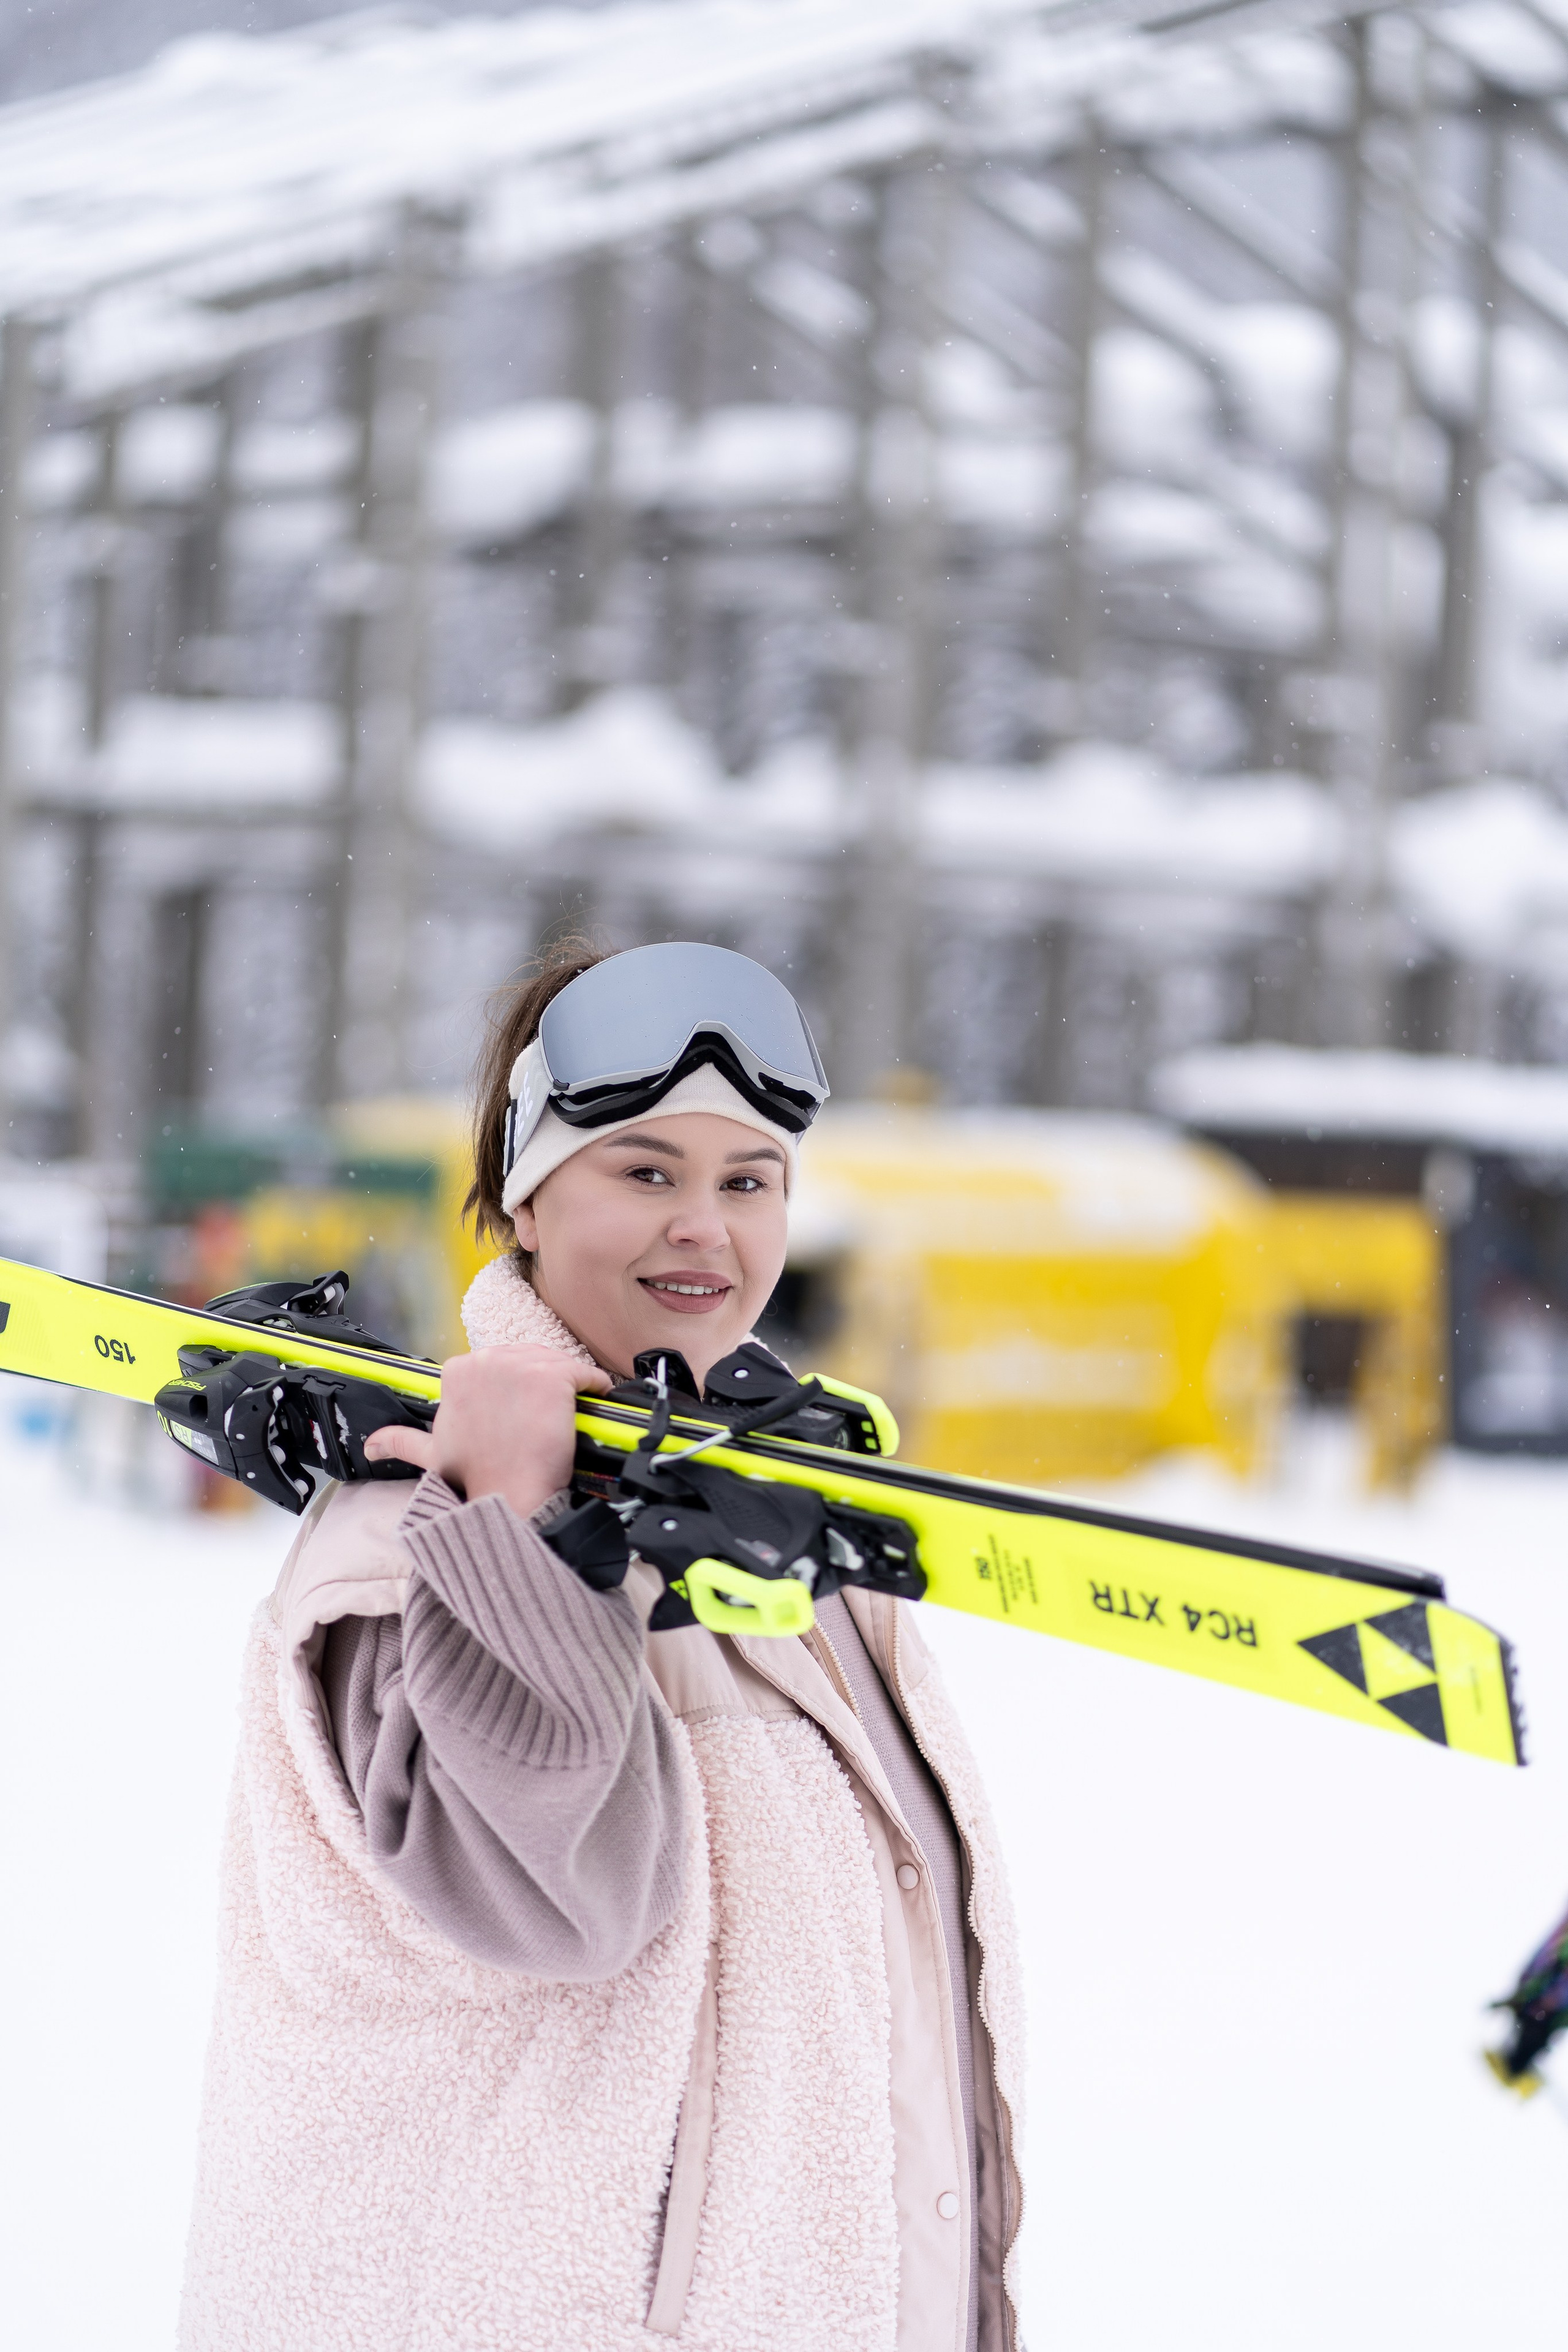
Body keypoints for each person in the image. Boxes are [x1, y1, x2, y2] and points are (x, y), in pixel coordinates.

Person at [178, 940, 1027, 2352]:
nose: (703, 1226)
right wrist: (513, 1529)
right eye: (643, 1171)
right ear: (522, 1195)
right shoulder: (404, 1545)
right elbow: (552, 1900)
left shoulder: (784, 1549)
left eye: (745, 1181)